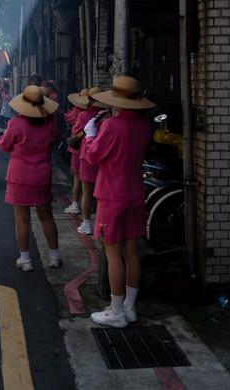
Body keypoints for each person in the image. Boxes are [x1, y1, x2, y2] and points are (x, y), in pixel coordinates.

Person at [81, 76, 155, 328]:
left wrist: (90, 136)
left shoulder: (112, 125)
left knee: (112, 254)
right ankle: (129, 307)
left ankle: (115, 312)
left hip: (112, 195)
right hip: (135, 192)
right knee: (132, 252)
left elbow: (93, 156)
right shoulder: (144, 126)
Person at [0, 85, 62, 272]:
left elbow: (4, 145)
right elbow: (54, 140)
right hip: (42, 174)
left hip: (20, 176)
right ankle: (55, 256)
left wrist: (2, 139)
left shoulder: (16, 124)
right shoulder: (50, 123)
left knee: (22, 218)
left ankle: (25, 260)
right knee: (46, 216)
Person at [72, 87, 110, 235]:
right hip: (103, 157)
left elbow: (75, 133)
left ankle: (87, 222)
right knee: (101, 192)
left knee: (87, 192)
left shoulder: (83, 115)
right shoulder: (108, 117)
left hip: (87, 155)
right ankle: (101, 222)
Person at [64, 88, 89, 216]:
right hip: (92, 151)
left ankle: (75, 204)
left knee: (78, 178)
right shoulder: (100, 115)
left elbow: (76, 130)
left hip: (78, 149)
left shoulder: (81, 114)